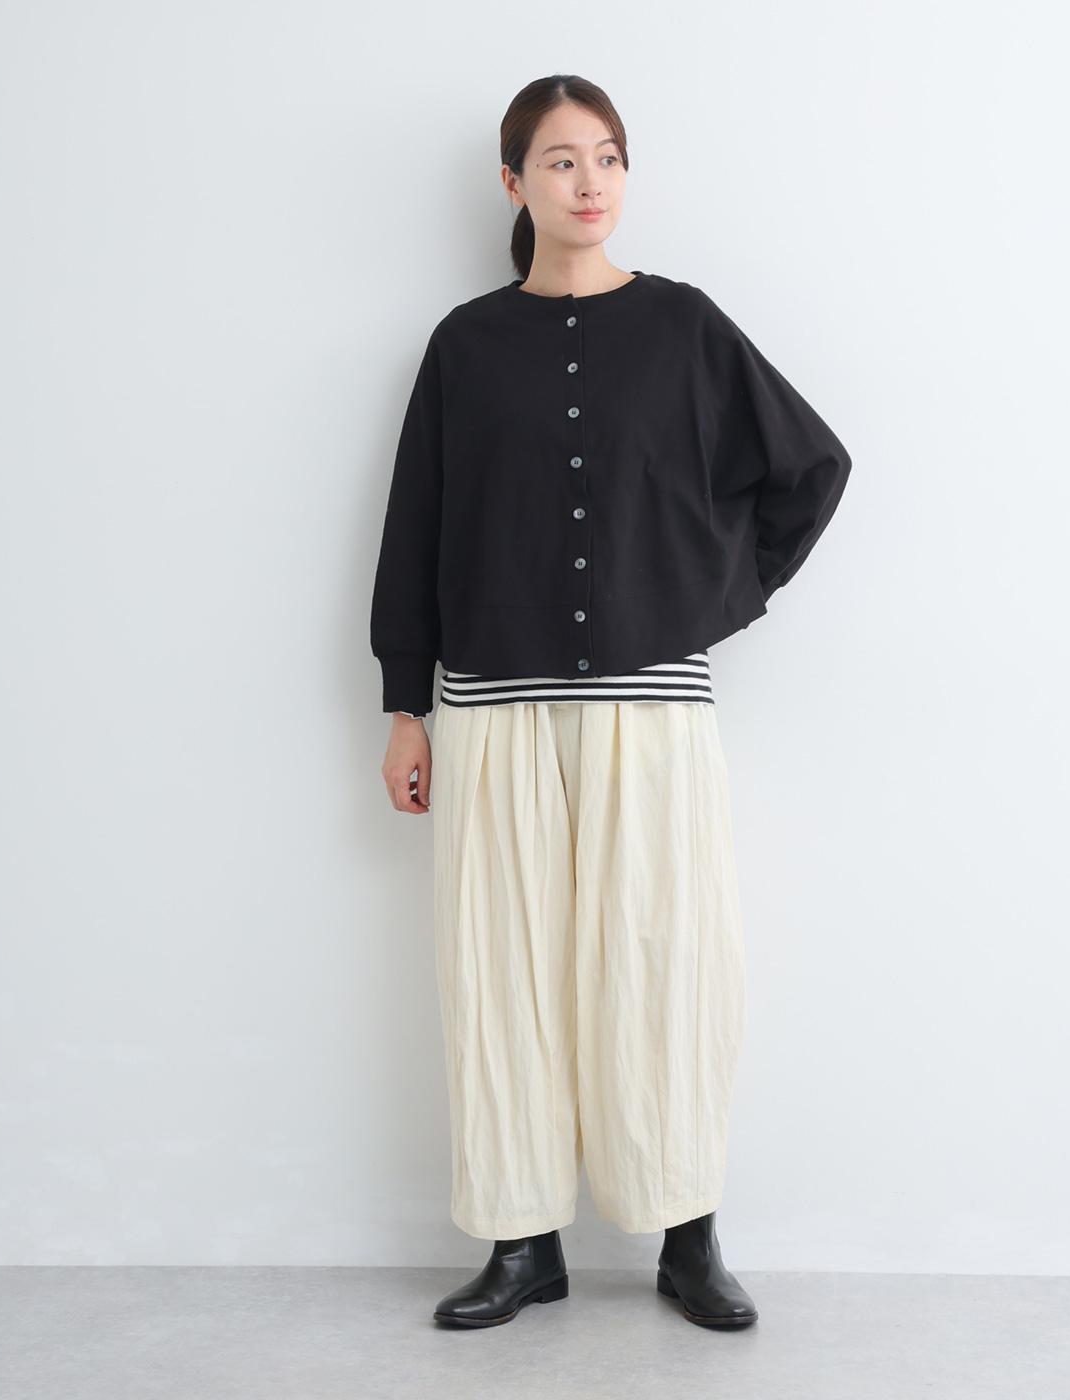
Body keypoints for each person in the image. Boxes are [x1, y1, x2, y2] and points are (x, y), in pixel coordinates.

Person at [369, 74, 853, 1330]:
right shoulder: (465, 345)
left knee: (663, 956)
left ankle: (687, 1235)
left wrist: (710, 592)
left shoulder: (685, 326)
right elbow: (416, 524)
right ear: (514, 182)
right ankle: (522, 1241)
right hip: (493, 704)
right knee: (504, 967)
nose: (589, 182)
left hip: (652, 703)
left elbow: (811, 466)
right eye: (561, 160)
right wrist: (406, 703)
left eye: (608, 157)